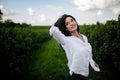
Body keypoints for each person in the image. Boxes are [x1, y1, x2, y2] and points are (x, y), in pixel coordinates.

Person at [49, 14, 100, 80]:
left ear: (75, 22)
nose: (71, 23)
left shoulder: (84, 37)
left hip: (85, 76)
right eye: (67, 23)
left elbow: (87, 51)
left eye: (72, 20)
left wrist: (92, 62)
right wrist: (60, 21)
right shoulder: (66, 40)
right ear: (66, 28)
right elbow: (52, 31)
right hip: (74, 77)